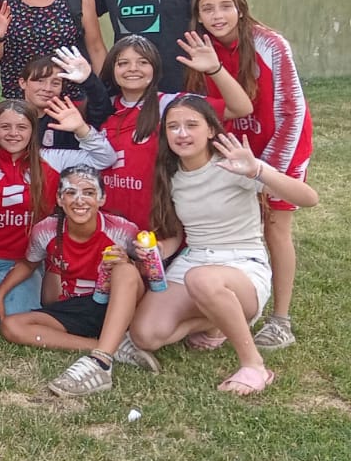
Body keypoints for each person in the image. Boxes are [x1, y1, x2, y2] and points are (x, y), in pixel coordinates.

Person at [129, 97, 318, 396]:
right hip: (195, 260)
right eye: (173, 126)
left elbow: (309, 198)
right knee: (145, 335)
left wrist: (257, 170)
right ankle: (215, 323)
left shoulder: (235, 166)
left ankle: (254, 365)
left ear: (210, 131)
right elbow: (179, 234)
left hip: (241, 264)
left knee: (202, 278)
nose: (182, 133)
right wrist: (158, 251)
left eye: (192, 125)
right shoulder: (171, 175)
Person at [187, 0, 312, 351]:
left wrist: (267, 172)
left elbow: (292, 110)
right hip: (233, 146)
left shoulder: (269, 43)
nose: (217, 15)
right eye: (207, 9)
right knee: (236, 229)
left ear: (240, 9)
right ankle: (227, 314)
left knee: (275, 225)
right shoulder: (200, 47)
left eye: (225, 6)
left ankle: (281, 320)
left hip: (279, 145)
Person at [0, 166, 159, 397]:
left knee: (124, 270)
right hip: (71, 308)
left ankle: (102, 357)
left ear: (102, 198)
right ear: (59, 199)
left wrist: (131, 263)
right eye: (70, 192)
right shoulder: (45, 230)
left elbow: (147, 273)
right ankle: (108, 346)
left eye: (88, 192)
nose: (79, 200)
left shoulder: (122, 230)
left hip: (113, 304)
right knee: (12, 326)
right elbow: (28, 263)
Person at [0, 100, 112, 315]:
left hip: (23, 260)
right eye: (5, 126)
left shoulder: (53, 159)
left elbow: (106, 158)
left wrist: (81, 129)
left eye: (22, 127)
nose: (13, 133)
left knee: (18, 316)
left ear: (33, 130)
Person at [98, 34, 251, 229]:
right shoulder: (100, 109)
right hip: (109, 225)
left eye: (142, 62)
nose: (133, 69)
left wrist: (215, 69)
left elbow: (241, 108)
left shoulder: (171, 104)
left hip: (159, 224)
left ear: (155, 68)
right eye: (123, 63)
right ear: (112, 69)